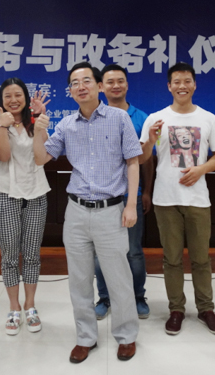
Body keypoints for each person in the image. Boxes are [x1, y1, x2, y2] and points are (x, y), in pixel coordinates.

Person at [33, 62, 142, 364]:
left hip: (111, 211)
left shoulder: (119, 118)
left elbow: (133, 161)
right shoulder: (66, 125)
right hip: (77, 212)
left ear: (99, 86)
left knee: (119, 278)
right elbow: (40, 158)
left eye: (86, 81)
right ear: (70, 91)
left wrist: (131, 204)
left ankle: (126, 335)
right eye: (74, 83)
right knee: (79, 279)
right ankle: (85, 337)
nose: (80, 87)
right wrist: (38, 131)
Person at [139, 62, 215, 336]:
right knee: (172, 259)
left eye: (187, 81)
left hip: (198, 199)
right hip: (166, 199)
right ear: (169, 86)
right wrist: (150, 141)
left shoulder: (208, 118)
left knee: (201, 259)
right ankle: (176, 309)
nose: (182, 86)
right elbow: (142, 158)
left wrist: (200, 169)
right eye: (176, 82)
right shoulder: (155, 118)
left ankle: (206, 309)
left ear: (194, 85)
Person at [0, 77, 50, 335]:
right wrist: (3, 127)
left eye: (18, 95)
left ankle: (30, 305)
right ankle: (14, 307)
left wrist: (39, 121)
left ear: (25, 98)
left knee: (32, 254)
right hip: (5, 194)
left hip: (36, 193)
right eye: (8, 96)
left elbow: (41, 157)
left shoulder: (37, 122)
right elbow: (2, 156)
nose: (13, 100)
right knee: (10, 256)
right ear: (1, 100)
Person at [94, 64, 154, 320]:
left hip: (132, 195)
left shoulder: (141, 118)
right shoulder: (94, 116)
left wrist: (146, 191)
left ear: (127, 85)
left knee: (134, 251)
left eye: (120, 81)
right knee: (101, 252)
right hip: (101, 197)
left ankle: (138, 297)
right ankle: (105, 298)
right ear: (101, 87)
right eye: (110, 82)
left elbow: (147, 160)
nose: (116, 85)